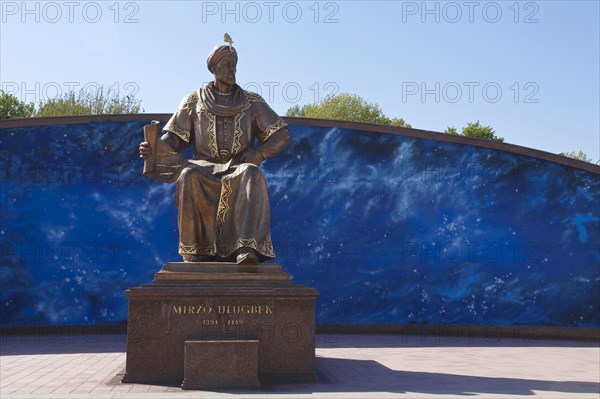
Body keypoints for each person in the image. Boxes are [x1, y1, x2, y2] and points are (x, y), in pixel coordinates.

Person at [139, 38, 290, 264]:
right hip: (203, 168)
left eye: (235, 64)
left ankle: (246, 249)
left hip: (239, 167)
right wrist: (154, 148)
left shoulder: (252, 101)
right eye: (228, 64)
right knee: (188, 175)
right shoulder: (193, 101)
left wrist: (259, 154)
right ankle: (196, 251)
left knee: (251, 173)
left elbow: (281, 135)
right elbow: (174, 138)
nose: (233, 69)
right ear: (214, 67)